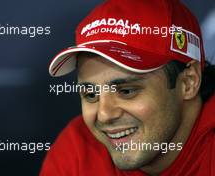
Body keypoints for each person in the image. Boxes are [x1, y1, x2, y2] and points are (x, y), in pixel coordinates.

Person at [40, 0, 215, 175]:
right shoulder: (78, 148)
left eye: (126, 91)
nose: (104, 115)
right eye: (91, 94)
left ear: (188, 82)